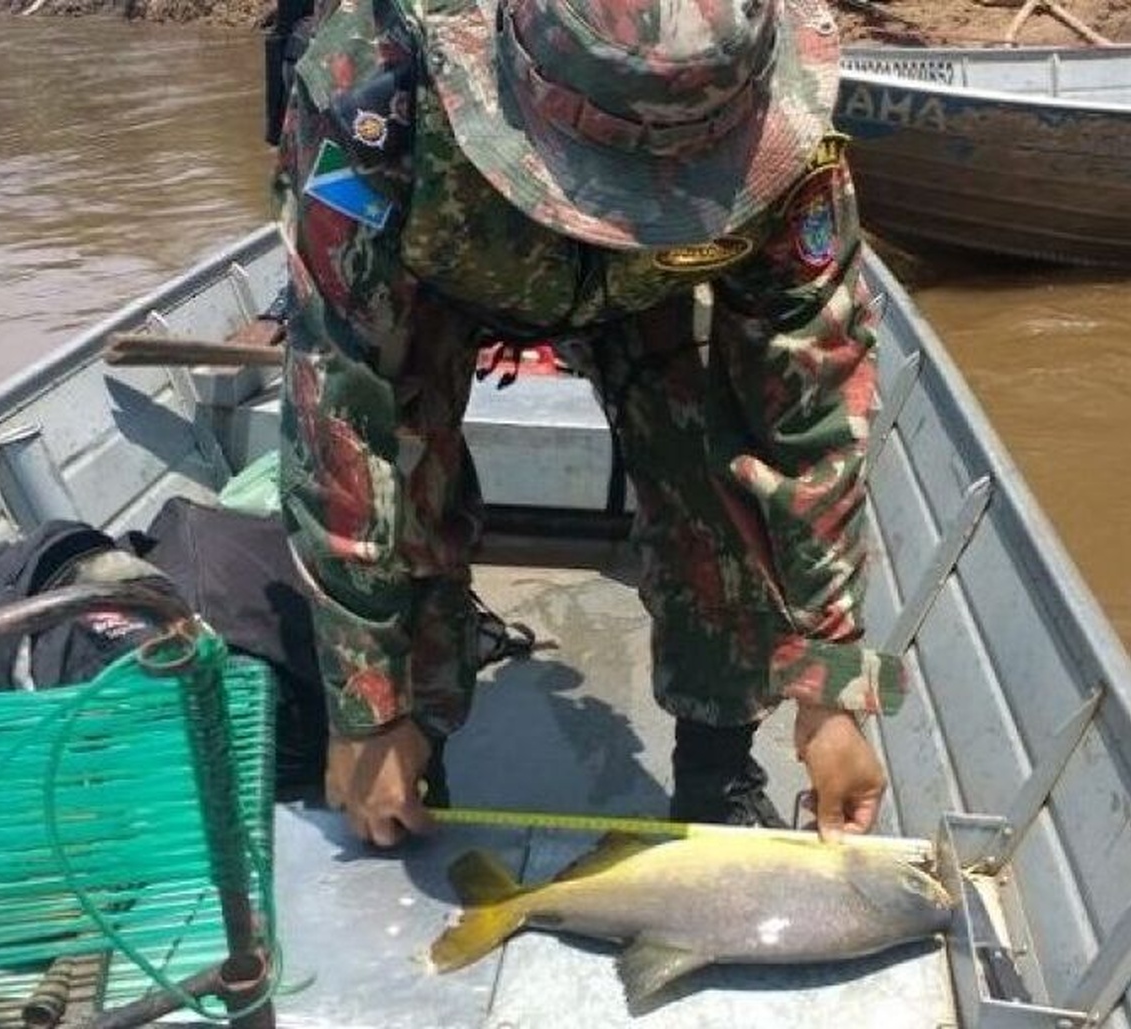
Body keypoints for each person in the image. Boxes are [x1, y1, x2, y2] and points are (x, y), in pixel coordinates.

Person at [272, 0, 904, 849]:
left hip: (652, 287)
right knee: (406, 485)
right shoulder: (375, 86)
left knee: (715, 480)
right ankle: (410, 764)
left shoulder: (783, 128)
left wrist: (830, 684)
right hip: (431, 284)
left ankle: (717, 775)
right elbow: (341, 397)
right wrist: (368, 703)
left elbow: (809, 411)